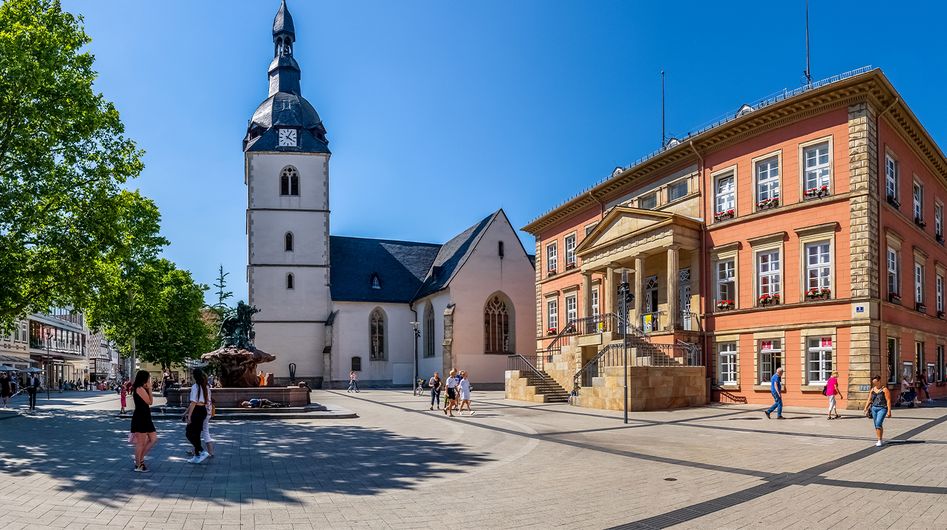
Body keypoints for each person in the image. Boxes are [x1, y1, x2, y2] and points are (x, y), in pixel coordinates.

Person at [130, 370, 157, 472]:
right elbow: (150, 402)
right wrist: (149, 389)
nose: (149, 379)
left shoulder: (141, 388)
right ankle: (138, 464)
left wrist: (148, 388)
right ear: (144, 379)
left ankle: (139, 459)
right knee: (141, 442)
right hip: (141, 417)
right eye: (148, 378)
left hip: (145, 417)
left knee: (153, 439)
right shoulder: (140, 389)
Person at [184, 368, 212, 464]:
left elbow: (193, 402)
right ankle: (197, 455)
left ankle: (202, 451)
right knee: (196, 434)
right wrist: (186, 412)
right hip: (203, 410)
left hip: (197, 411)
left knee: (189, 433)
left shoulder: (195, 387)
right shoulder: (205, 386)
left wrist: (189, 416)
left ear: (194, 376)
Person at [864, 374, 892, 447]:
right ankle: (879, 439)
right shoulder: (872, 390)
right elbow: (869, 399)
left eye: (876, 382)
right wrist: (865, 408)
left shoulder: (884, 390)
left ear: (879, 381)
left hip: (882, 408)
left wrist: (889, 411)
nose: (875, 383)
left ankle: (879, 441)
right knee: (876, 425)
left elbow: (888, 400)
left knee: (878, 423)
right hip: (874, 408)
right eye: (874, 382)